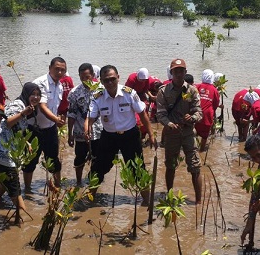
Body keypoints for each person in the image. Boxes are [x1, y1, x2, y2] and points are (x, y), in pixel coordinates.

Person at [86, 65, 155, 202]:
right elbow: (91, 117)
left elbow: (142, 113)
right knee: (99, 167)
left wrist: (151, 134)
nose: (110, 83)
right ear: (101, 81)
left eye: (112, 79)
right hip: (109, 136)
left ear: (118, 78)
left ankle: (147, 202)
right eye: (106, 80)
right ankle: (89, 198)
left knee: (138, 169)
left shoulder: (129, 93)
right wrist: (86, 127)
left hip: (130, 136)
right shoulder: (97, 97)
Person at [156, 59, 203, 204]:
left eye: (181, 70)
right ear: (171, 73)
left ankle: (198, 202)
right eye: (175, 71)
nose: (178, 73)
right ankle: (170, 197)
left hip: (188, 133)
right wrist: (169, 124)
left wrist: (192, 117)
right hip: (171, 134)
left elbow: (199, 112)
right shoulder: (163, 91)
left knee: (195, 166)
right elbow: (160, 114)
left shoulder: (192, 90)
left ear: (185, 73)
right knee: (170, 165)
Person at [0, 83, 41, 214]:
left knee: (7, 177)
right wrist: (23, 113)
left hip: (7, 147)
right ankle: (23, 216)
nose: (35, 97)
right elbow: (7, 122)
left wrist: (26, 142)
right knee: (14, 184)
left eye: (38, 95)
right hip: (0, 147)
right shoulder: (18, 105)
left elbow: (16, 128)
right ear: (26, 94)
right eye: (33, 94)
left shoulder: (25, 106)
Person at [25, 57, 67, 189]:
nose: (60, 72)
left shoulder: (59, 85)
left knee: (54, 160)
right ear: (50, 68)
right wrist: (56, 119)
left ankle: (58, 187)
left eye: (63, 70)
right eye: (57, 69)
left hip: (50, 129)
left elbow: (56, 107)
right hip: (34, 129)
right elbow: (42, 107)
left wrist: (57, 120)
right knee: (30, 161)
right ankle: (27, 190)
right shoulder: (40, 83)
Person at [67, 63, 103, 186]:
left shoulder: (101, 90)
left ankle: (94, 183)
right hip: (80, 132)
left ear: (93, 75)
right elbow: (71, 114)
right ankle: (78, 182)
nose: (85, 80)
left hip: (98, 131)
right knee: (79, 158)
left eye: (88, 77)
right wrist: (70, 134)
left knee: (97, 158)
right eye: (82, 77)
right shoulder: (74, 92)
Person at [194, 69, 220, 152]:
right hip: (207, 114)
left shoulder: (197, 86)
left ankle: (193, 149)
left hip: (196, 112)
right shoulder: (215, 90)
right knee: (205, 135)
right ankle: (201, 150)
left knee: (194, 131)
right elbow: (215, 104)